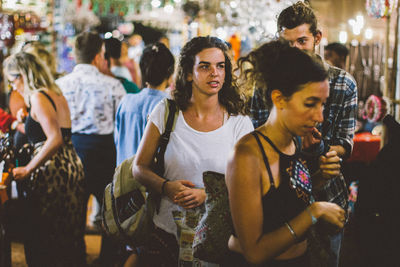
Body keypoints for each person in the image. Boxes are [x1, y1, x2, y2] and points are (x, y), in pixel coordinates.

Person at [249, 2, 358, 266]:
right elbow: (259, 139)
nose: (295, 51)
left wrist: (326, 153)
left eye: (302, 41)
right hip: (278, 196)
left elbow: (345, 141)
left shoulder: (343, 83)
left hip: (327, 194)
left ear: (317, 38)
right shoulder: (266, 86)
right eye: (288, 44)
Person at [132, 36, 254, 266]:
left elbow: (249, 182)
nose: (215, 73)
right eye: (205, 66)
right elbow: (139, 168)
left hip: (218, 238)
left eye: (220, 66)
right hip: (167, 233)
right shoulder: (167, 112)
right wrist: (165, 187)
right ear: (189, 73)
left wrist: (207, 195)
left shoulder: (239, 122)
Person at [226, 39, 346, 266]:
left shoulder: (294, 142)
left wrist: (321, 176)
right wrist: (315, 211)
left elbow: (285, 200)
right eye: (310, 104)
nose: (319, 116)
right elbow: (254, 252)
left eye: (322, 104)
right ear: (279, 99)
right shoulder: (247, 156)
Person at [4, 52, 86, 266]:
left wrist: (28, 169)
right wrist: (26, 120)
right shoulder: (53, 93)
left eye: (13, 81)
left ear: (23, 75)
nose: (13, 87)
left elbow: (54, 139)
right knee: (66, 234)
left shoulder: (38, 97)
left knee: (46, 236)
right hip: (69, 165)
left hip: (53, 172)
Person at [56, 31, 126, 266]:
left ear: (76, 55)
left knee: (73, 209)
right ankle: (106, 260)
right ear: (99, 56)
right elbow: (121, 124)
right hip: (104, 151)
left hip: (71, 150)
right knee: (108, 210)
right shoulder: (114, 85)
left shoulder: (59, 86)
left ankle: (74, 257)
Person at [114, 42, 174, 166]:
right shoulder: (170, 106)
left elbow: (117, 140)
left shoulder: (126, 101)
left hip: (123, 180)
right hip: (153, 181)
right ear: (170, 74)